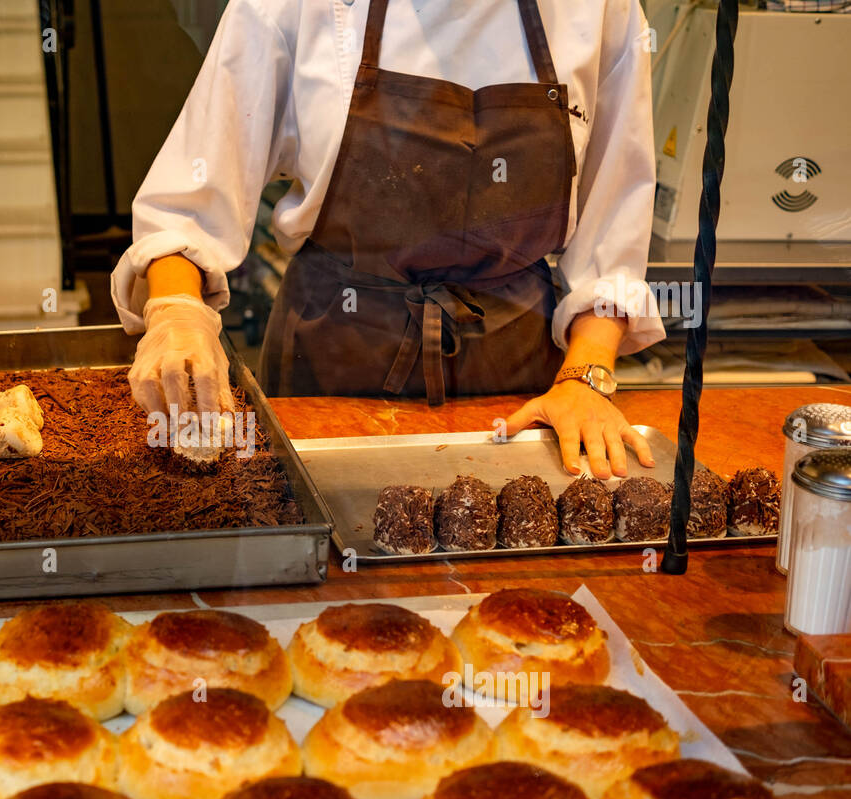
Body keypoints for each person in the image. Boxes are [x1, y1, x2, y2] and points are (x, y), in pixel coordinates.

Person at [112, 0, 666, 479]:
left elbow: (613, 223)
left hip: (524, 392)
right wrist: (178, 310)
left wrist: (586, 378)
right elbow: (192, 196)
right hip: (332, 364)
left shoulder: (601, 11)